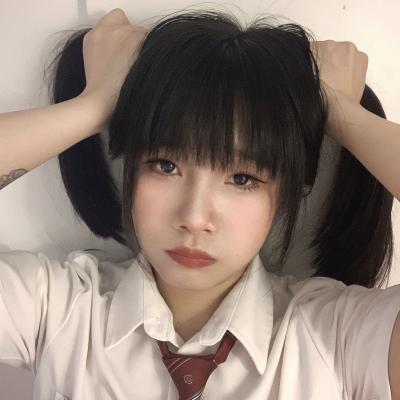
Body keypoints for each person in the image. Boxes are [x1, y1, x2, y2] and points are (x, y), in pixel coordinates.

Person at [0, 7, 399, 400]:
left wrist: (343, 112)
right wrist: (97, 103)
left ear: (287, 193)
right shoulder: (57, 310)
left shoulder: (342, 338)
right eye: (165, 165)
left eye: (242, 179)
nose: (194, 218)